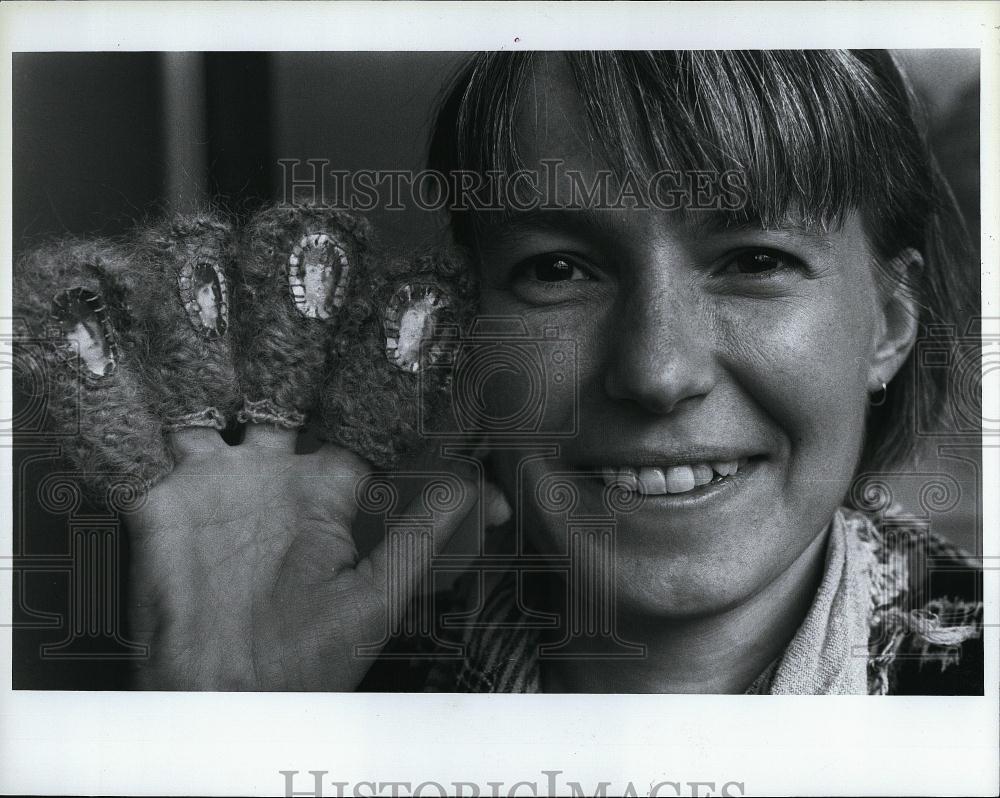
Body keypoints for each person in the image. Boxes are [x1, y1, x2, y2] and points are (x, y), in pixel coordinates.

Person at [15, 50, 983, 694]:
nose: (656, 371)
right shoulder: (335, 697)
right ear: (459, 332)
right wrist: (225, 742)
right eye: (557, 270)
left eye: (754, 261)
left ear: (890, 323)